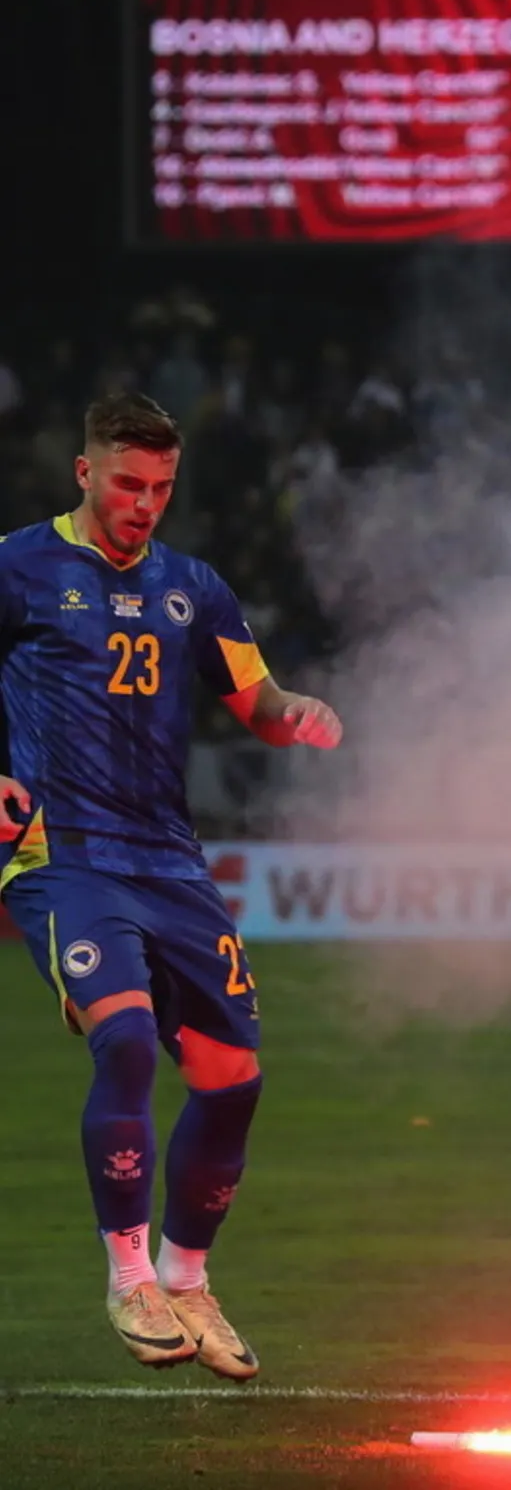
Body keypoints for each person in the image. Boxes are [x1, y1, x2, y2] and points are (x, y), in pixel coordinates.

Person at [0, 393, 342, 1376]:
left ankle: (187, 1279)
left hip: (170, 862)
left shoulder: (196, 588)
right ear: (83, 472)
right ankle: (126, 1277)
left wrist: (292, 714)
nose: (145, 505)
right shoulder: (17, 566)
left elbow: (255, 696)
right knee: (124, 1038)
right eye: (127, 484)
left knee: (233, 1081)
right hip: (64, 852)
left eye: (161, 488)